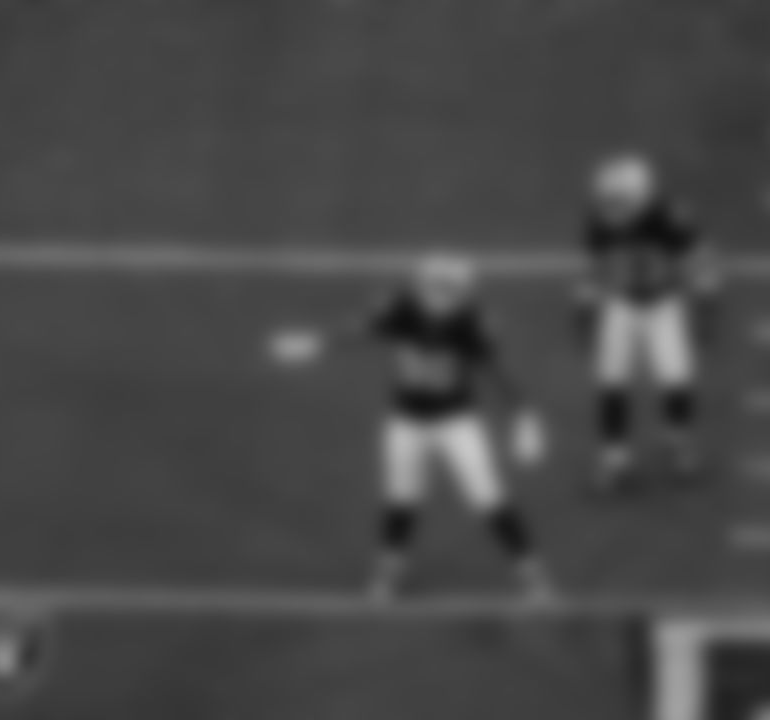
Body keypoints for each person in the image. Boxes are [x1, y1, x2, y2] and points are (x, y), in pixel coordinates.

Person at [269, 252, 554, 601]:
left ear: (462, 293)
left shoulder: (471, 325)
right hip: (405, 421)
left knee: (488, 497)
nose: (438, 298)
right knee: (401, 497)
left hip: (456, 422)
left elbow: (496, 373)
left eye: (447, 291)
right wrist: (319, 342)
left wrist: (523, 414)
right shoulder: (401, 310)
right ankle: (389, 569)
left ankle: (531, 572)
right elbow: (361, 330)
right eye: (434, 289)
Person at [575, 154, 720, 494]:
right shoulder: (599, 223)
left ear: (642, 196)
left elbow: (702, 262)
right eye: (609, 200)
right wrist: (584, 307)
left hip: (662, 305)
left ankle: (680, 444)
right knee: (610, 381)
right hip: (620, 303)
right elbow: (593, 268)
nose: (612, 207)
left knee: (677, 377)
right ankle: (614, 459)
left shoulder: (671, 219)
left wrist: (706, 308)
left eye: (620, 200)